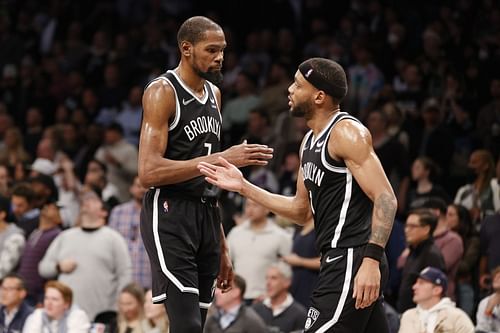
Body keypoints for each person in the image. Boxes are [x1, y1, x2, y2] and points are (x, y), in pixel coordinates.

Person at [198, 57, 398, 332]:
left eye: (298, 84)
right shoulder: (308, 142)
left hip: (353, 256)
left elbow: (386, 198)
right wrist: (244, 186)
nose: (289, 89)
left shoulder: (346, 133)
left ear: (319, 96)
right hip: (337, 258)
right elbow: (300, 211)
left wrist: (372, 259)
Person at [138, 15, 273, 333]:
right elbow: (148, 171)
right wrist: (221, 157)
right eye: (211, 50)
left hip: (206, 217)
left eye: (223, 50)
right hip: (170, 212)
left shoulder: (215, 94)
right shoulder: (162, 92)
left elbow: (211, 180)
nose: (220, 57)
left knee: (195, 325)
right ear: (186, 49)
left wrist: (222, 244)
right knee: (185, 325)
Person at [398, 266, 474, 333]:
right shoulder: (408, 316)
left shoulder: (457, 318)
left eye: (421, 283)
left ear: (437, 290)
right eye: (415, 283)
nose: (414, 287)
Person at [252, 262, 307, 333]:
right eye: (267, 278)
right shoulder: (255, 309)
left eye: (273, 278)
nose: (268, 283)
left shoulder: (300, 314)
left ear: (287, 282)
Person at [204, 274, 269, 333]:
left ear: (236, 292)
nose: (216, 293)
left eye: (222, 288)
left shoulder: (252, 322)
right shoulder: (212, 320)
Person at [22, 280, 90, 333]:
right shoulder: (38, 314)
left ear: (66, 304)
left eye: (54, 299)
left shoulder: (78, 316)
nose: (48, 303)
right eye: (46, 298)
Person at [476, 265, 500, 333]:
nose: (496, 278)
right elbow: (481, 330)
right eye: (495, 276)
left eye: (499, 277)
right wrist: (488, 312)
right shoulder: (485, 302)